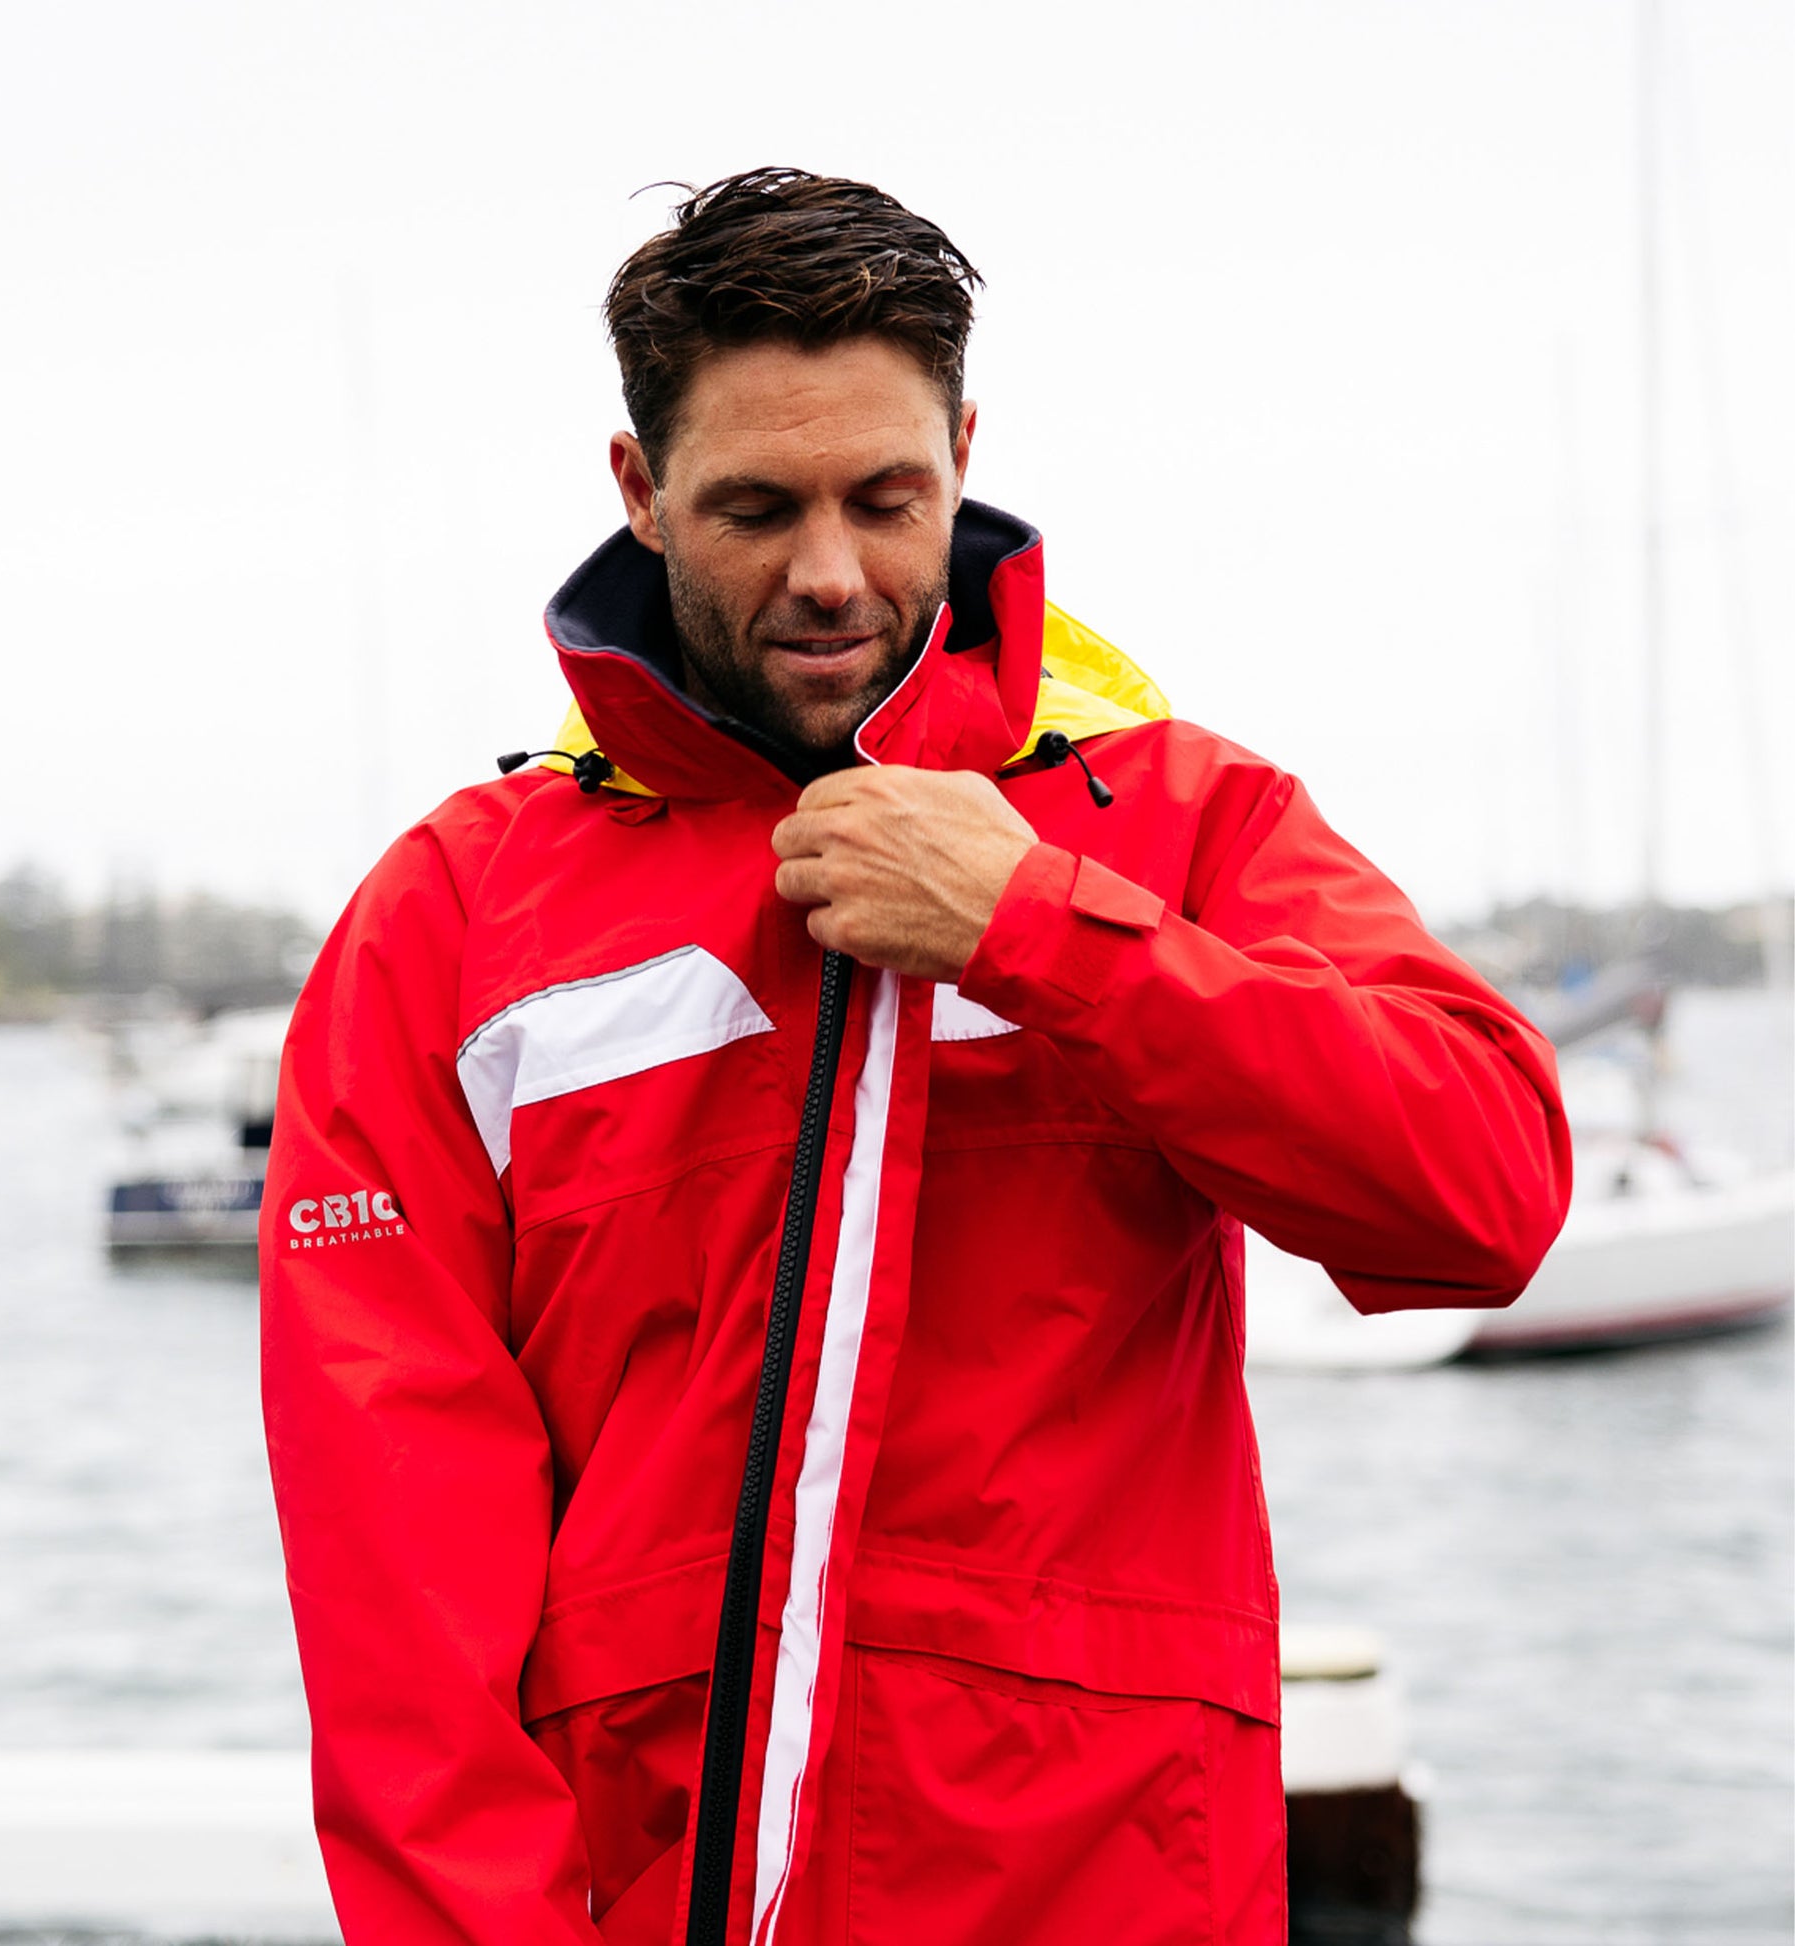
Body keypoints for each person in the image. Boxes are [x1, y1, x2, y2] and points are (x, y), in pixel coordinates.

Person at [260, 168, 1570, 1946]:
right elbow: (395, 1581)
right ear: (639, 490)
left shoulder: (1177, 822)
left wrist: (1040, 928)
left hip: (1106, 1891)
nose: (830, 575)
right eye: (754, 508)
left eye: (885, 500)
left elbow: (1480, 1197)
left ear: (962, 452)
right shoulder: (451, 918)